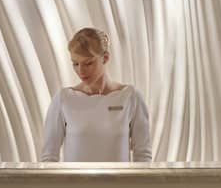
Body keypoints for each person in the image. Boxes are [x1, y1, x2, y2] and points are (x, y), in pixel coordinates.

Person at [39, 28, 152, 163]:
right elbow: (49, 157)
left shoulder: (130, 97)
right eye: (75, 64)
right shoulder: (64, 99)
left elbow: (143, 156)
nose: (81, 70)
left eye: (88, 63)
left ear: (105, 58)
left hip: (119, 178)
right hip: (75, 178)